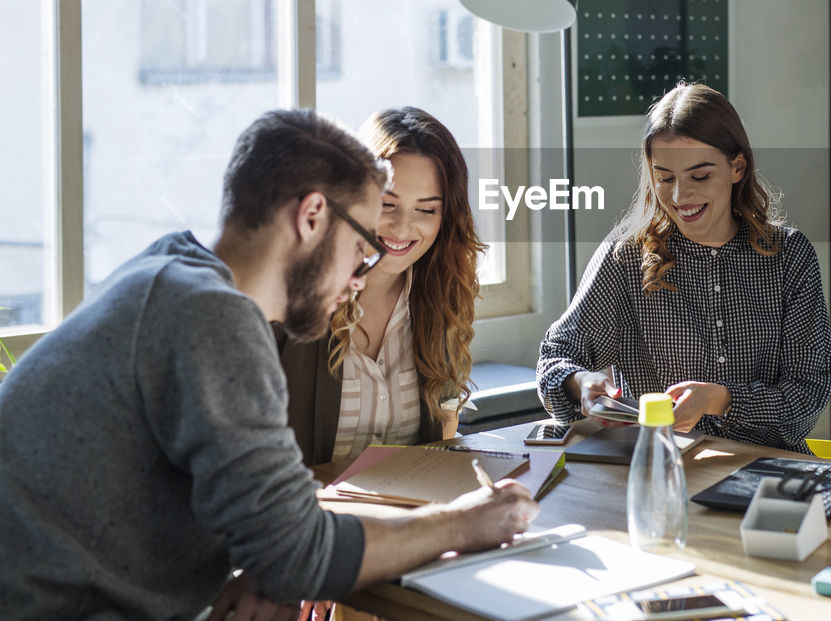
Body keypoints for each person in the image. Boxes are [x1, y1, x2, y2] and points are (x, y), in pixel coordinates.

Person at [0, 109, 536, 620]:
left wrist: (284, 550)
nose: (359, 275)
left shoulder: (173, 273)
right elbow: (296, 555)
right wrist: (467, 522)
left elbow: (277, 532)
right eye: (358, 246)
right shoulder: (213, 317)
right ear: (310, 217)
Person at [536, 82, 831, 453]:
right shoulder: (626, 256)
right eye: (665, 178)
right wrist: (580, 382)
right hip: (663, 468)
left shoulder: (789, 255)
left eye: (700, 176)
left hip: (769, 470)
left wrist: (721, 400)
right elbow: (555, 357)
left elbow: (808, 395)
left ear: (737, 166)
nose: (679, 196)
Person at [281, 107, 485, 466]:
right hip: (312, 518)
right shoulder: (292, 298)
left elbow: (445, 435)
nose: (402, 228)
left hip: (408, 517)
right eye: (386, 203)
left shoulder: (443, 296)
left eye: (426, 210)